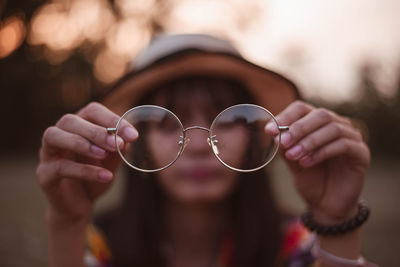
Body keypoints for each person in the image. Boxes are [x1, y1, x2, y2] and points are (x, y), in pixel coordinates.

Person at [36, 34, 377, 267]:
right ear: (134, 138)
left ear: (256, 138)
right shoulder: (100, 246)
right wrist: (67, 222)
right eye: (168, 124)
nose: (198, 145)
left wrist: (337, 222)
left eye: (227, 120)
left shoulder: (296, 246)